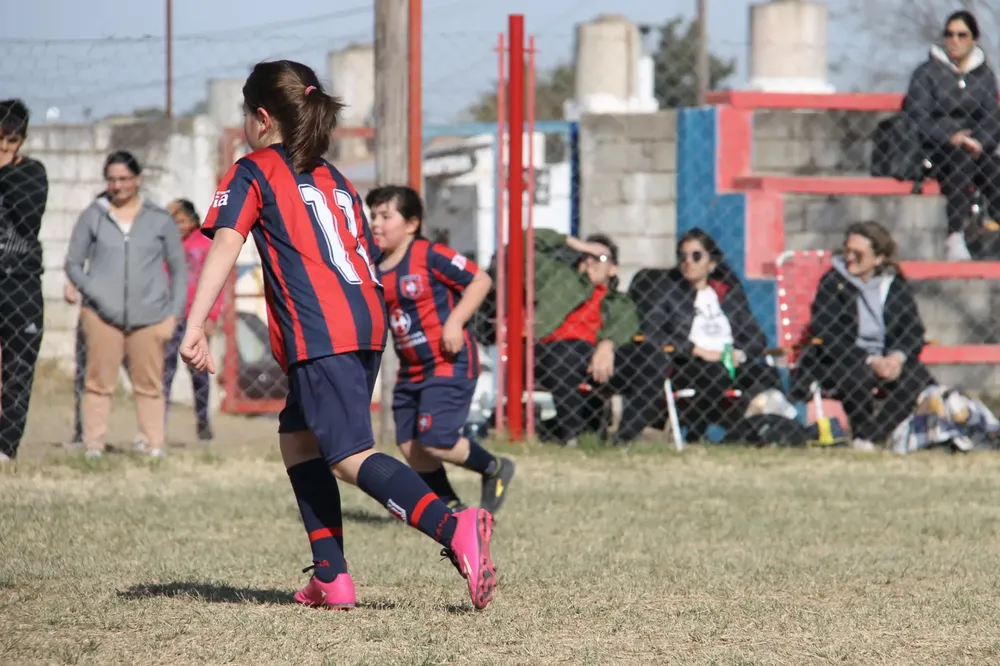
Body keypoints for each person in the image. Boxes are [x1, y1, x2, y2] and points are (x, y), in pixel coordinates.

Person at [178, 60, 497, 611]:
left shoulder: (253, 170)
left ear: (260, 117)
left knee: (348, 455)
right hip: (365, 320)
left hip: (320, 326)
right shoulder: (336, 178)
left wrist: (195, 322)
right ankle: (331, 578)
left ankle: (455, 528)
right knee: (299, 438)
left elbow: (226, 243)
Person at [367, 185, 515, 515]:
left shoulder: (429, 254)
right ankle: (450, 506)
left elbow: (481, 281)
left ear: (411, 224)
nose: (376, 223)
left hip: (448, 362)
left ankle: (494, 468)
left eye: (385, 216)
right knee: (409, 443)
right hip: (411, 369)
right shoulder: (375, 267)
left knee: (436, 439)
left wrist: (454, 322)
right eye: (373, 215)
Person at [64, 151, 187, 459]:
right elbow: (74, 263)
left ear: (137, 180)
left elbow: (179, 268)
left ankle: (153, 444)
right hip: (101, 316)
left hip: (150, 316)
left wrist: (173, 313)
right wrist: (96, 293)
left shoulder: (159, 219)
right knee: (98, 382)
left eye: (123, 179)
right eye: (111, 180)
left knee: (149, 384)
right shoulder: (93, 215)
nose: (116, 186)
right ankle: (94, 445)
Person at [610, 228, 782, 444]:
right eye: (683, 256)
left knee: (767, 375)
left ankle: (770, 433)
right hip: (691, 362)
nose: (688, 262)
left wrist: (739, 354)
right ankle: (696, 434)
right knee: (714, 375)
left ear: (711, 263)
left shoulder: (727, 293)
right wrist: (697, 350)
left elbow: (756, 337)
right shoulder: (668, 292)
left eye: (696, 256)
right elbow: (653, 333)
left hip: (731, 360)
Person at [792, 221, 934, 450]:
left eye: (858, 254)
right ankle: (863, 434)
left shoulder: (894, 283)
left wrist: (896, 358)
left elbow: (913, 329)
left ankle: (874, 437)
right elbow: (828, 334)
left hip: (886, 358)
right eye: (846, 251)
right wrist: (869, 360)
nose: (849, 258)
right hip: (842, 359)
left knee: (916, 377)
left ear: (878, 258)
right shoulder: (832, 283)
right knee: (857, 375)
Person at [906, 10, 1000, 260]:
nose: (954, 40)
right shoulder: (926, 73)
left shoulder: (985, 76)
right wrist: (952, 136)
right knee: (961, 160)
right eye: (949, 34)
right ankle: (955, 235)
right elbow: (918, 118)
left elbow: (991, 118)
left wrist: (978, 141)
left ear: (974, 39)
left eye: (962, 35)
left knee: (993, 168)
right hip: (936, 150)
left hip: (975, 148)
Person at [532, 230, 638, 445]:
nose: (590, 261)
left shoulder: (619, 301)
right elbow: (523, 242)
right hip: (555, 351)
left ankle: (621, 439)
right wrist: (579, 245)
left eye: (599, 257)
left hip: (598, 357)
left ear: (613, 269)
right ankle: (573, 436)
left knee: (652, 360)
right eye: (587, 256)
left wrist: (607, 345)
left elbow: (626, 324)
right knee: (570, 352)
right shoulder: (557, 277)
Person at [0, 99, 48, 461]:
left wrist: (5, 171)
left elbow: (29, 217)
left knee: (19, 369)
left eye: (12, 141)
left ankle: (7, 446)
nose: (4, 148)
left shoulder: (31, 173)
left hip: (20, 283)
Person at [163, 199, 222, 442]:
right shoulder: (168, 245)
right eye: (174, 222)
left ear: (193, 221)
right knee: (165, 372)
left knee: (198, 373)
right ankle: (158, 423)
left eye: (182, 221)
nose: (178, 226)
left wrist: (212, 315)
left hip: (195, 317)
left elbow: (218, 282)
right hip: (170, 316)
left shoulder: (206, 244)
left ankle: (203, 420)